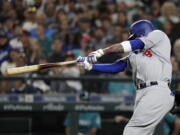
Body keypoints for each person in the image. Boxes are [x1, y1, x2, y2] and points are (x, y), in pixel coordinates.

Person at [77, 20, 175, 135]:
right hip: (143, 93)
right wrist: (90, 66)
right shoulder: (135, 54)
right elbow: (116, 67)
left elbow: (135, 44)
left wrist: (102, 52)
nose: (133, 39)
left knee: (132, 131)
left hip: (157, 90)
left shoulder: (158, 35)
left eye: (134, 36)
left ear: (142, 33)